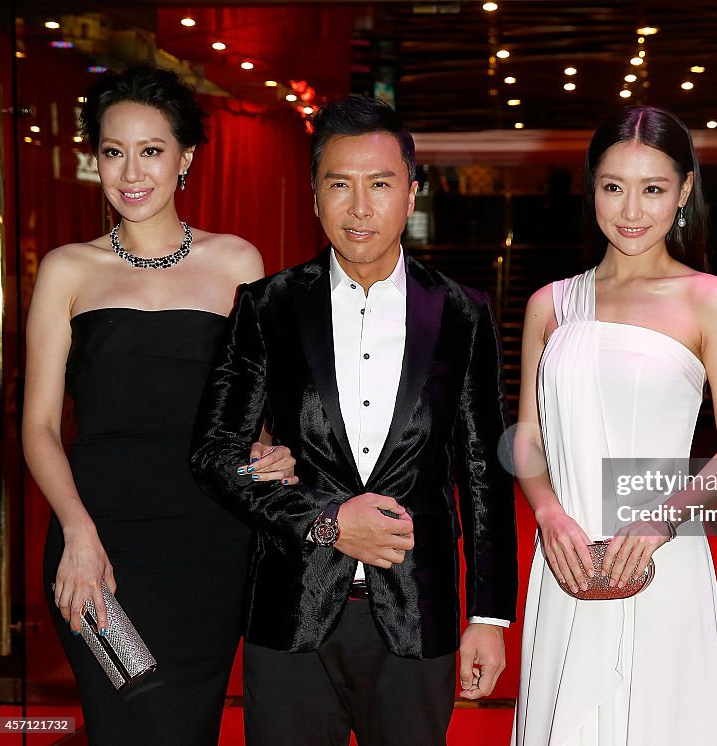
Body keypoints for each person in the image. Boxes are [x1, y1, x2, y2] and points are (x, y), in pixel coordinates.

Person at [189, 95, 518, 746]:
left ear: (412, 193)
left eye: (380, 184)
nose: (360, 207)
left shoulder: (462, 313)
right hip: (290, 616)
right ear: (315, 196)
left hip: (416, 619)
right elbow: (215, 453)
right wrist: (328, 520)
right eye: (340, 184)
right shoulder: (267, 307)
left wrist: (488, 617)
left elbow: (483, 470)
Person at [22, 63, 296, 746]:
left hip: (209, 547)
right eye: (114, 152)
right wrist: (78, 535)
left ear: (186, 159)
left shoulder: (238, 263)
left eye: (151, 150)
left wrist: (268, 449)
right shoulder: (67, 269)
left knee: (185, 727)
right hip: (99, 548)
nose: (131, 171)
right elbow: (38, 428)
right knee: (130, 719)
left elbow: (259, 415)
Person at [511, 105, 717, 745]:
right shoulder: (550, 304)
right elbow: (527, 437)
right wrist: (549, 516)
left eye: (653, 189)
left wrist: (662, 517)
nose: (631, 209)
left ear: (684, 191)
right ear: (592, 189)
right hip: (567, 560)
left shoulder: (711, 300)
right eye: (613, 187)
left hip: (664, 556)